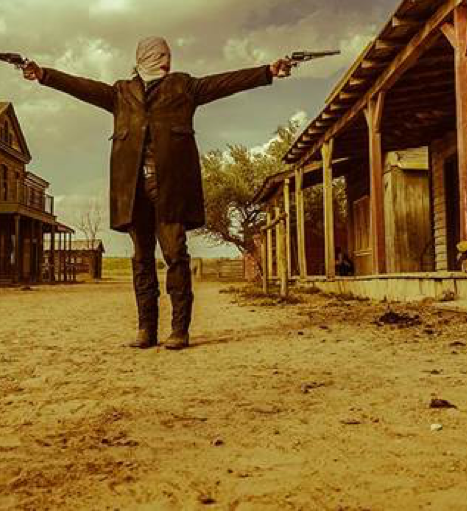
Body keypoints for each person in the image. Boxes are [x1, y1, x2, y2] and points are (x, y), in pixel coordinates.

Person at [22, 37, 293, 350]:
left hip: (171, 187)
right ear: (141, 58)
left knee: (175, 254)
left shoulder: (184, 87)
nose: (164, 59)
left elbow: (225, 82)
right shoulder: (120, 93)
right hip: (133, 189)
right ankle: (146, 330)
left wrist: (267, 72)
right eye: (156, 54)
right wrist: (44, 74)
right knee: (141, 258)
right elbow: (81, 86)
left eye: (166, 54)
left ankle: (180, 330)